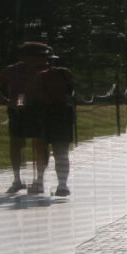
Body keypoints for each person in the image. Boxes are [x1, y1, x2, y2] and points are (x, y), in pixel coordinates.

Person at [0, 42, 50, 194]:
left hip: (38, 108)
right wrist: (7, 101)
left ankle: (39, 180)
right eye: (39, 56)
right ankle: (17, 179)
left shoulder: (46, 70)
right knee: (17, 144)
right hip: (19, 110)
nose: (43, 58)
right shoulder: (13, 70)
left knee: (40, 144)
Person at [39, 53, 75, 197]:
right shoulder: (64, 74)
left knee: (57, 152)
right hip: (55, 113)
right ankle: (59, 184)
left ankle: (60, 183)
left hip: (51, 112)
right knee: (56, 152)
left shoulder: (42, 76)